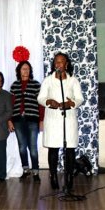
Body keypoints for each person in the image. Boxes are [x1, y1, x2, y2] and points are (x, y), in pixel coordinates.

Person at [37, 53, 84, 191]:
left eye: (61, 62)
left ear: (66, 64)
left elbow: (80, 98)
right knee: (53, 149)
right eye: (56, 62)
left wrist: (71, 103)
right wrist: (48, 101)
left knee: (69, 149)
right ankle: (53, 176)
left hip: (68, 119)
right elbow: (40, 98)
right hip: (52, 119)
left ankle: (69, 177)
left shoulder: (73, 80)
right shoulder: (48, 80)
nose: (58, 64)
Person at [8, 61, 43, 183]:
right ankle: (26, 170)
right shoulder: (14, 86)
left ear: (30, 70)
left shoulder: (36, 85)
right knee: (22, 147)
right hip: (18, 120)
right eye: (23, 69)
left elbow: (41, 104)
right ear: (19, 71)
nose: (25, 71)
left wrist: (41, 120)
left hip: (33, 119)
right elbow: (11, 104)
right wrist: (9, 120)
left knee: (33, 147)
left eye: (27, 68)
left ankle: (36, 171)